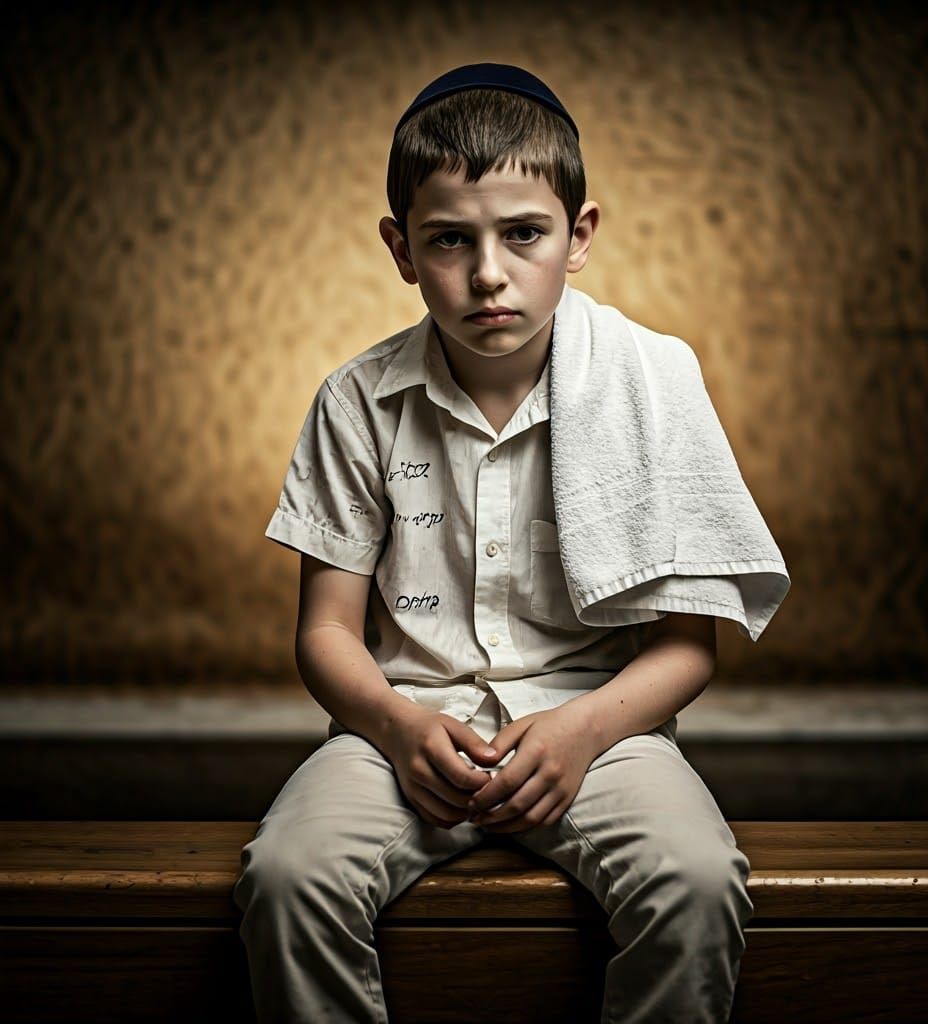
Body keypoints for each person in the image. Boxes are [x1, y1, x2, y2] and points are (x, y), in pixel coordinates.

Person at [234, 62, 766, 1023]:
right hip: (403, 728)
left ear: (580, 234)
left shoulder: (653, 382)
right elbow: (325, 636)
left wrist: (583, 732)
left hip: (601, 731)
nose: (489, 273)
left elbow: (689, 647)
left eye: (524, 233)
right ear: (401, 248)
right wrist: (399, 732)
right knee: (288, 878)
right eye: (449, 240)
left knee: (693, 881)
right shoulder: (357, 402)